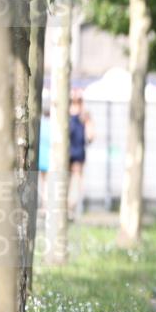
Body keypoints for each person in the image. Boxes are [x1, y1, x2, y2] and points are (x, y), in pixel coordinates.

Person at [67, 91, 94, 220]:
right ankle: (70, 207)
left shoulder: (64, 114)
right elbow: (90, 136)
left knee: (66, 180)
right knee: (76, 181)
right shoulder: (85, 116)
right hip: (78, 151)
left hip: (67, 151)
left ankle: (66, 206)